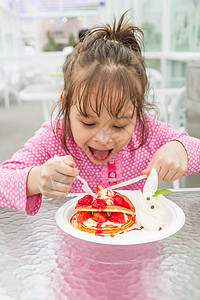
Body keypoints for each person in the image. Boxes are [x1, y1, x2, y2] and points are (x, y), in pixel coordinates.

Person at [0, 12, 200, 216]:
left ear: (137, 112)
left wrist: (180, 149)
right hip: (76, 243)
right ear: (67, 106)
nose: (103, 139)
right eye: (88, 123)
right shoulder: (55, 136)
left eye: (119, 125)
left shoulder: (147, 131)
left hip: (137, 239)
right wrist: (34, 179)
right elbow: (2, 181)